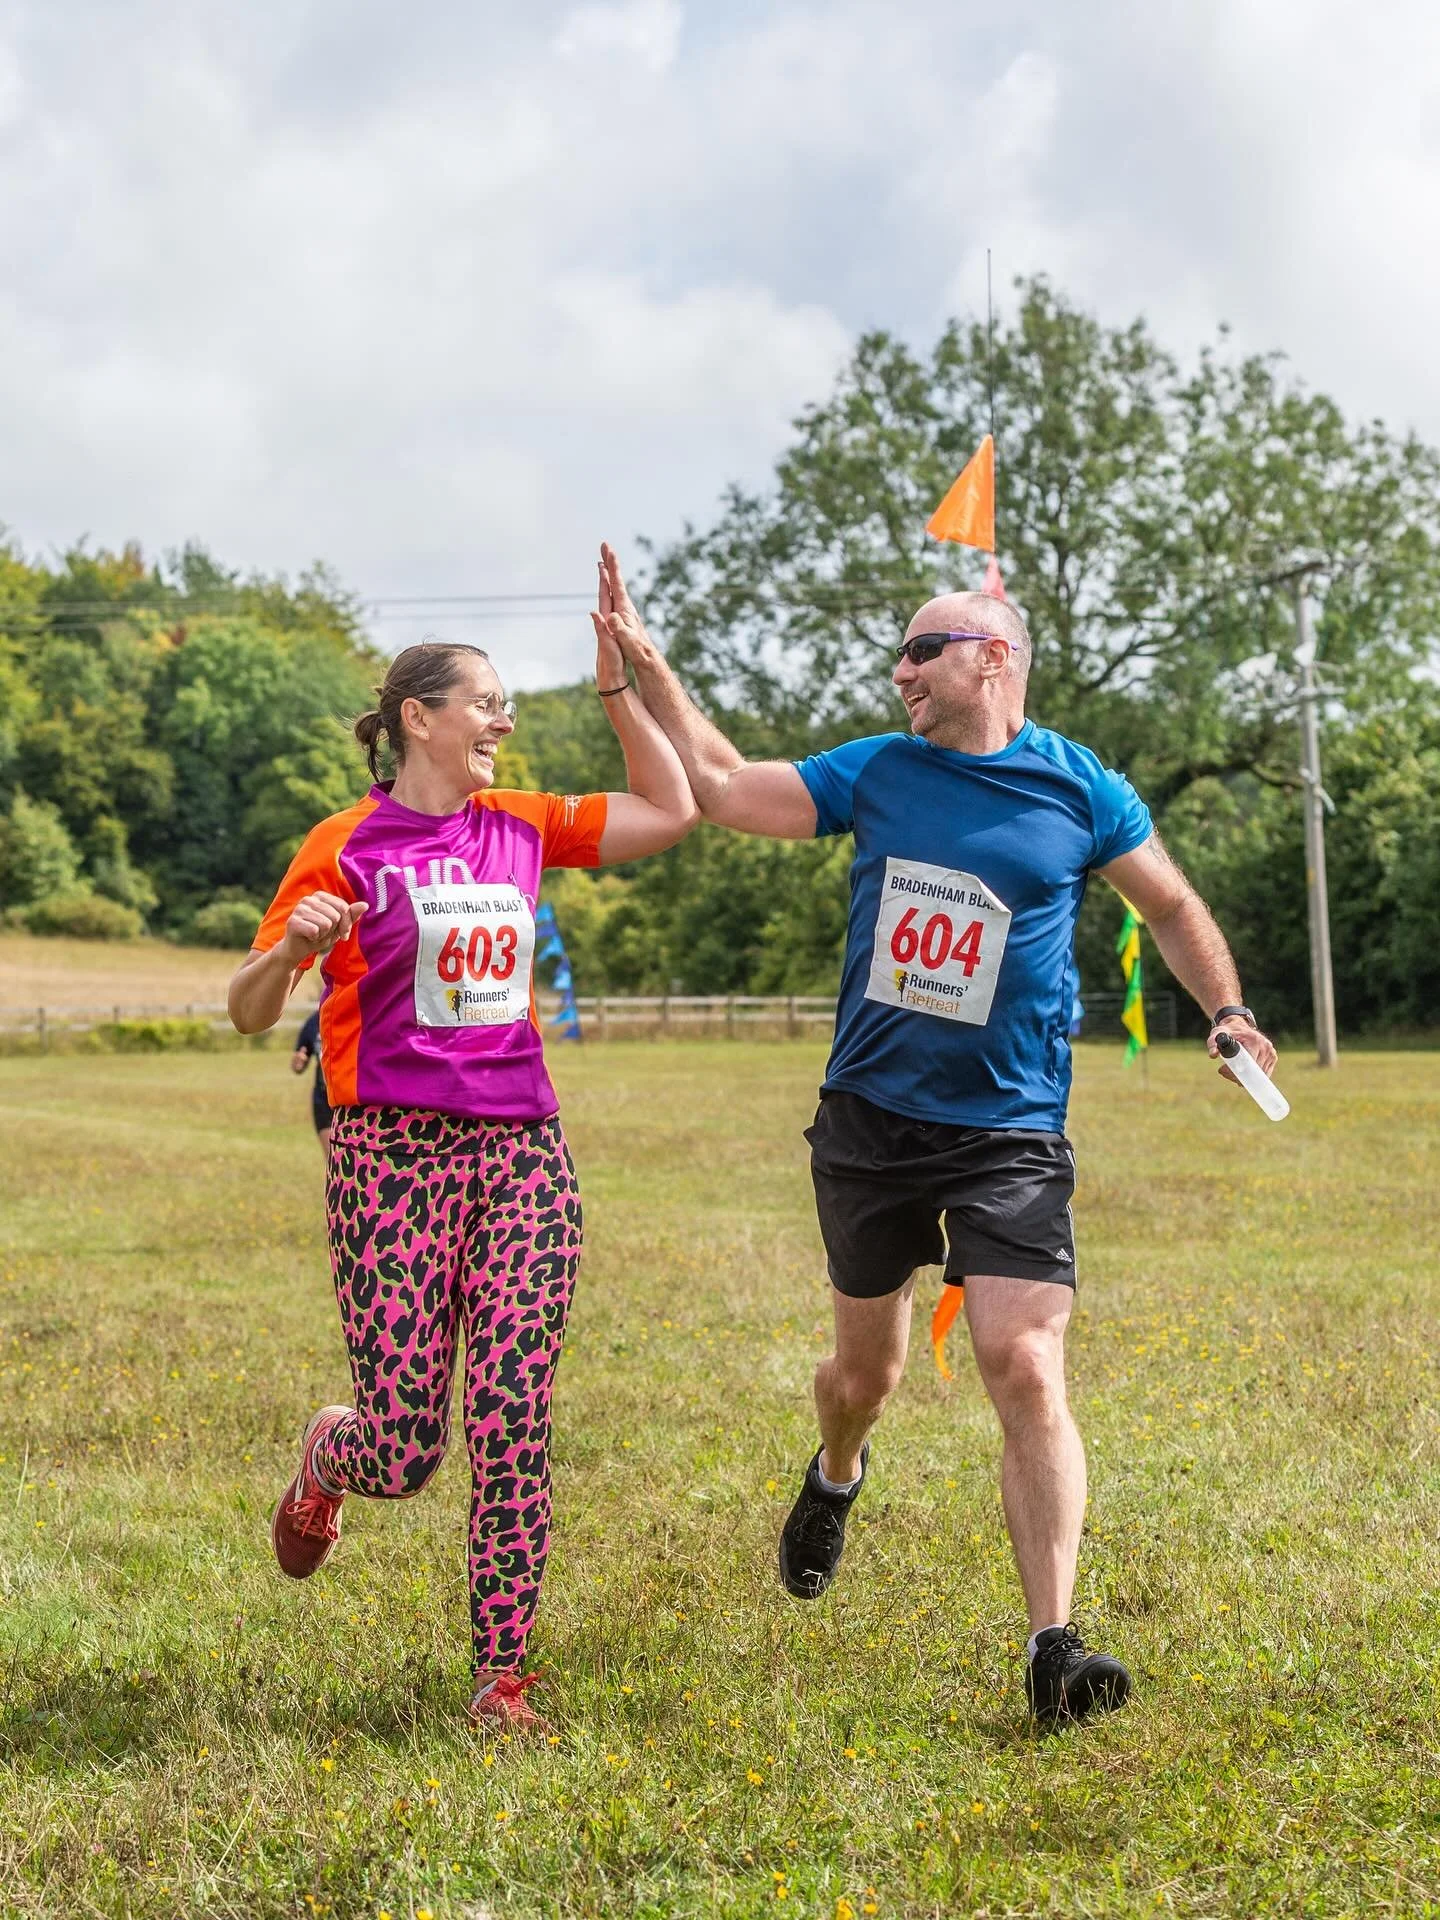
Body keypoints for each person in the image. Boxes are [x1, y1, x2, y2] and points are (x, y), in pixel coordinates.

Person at [594, 542, 1278, 1726]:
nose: (900, 671)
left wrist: (1225, 1009)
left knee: (1022, 1360)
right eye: (898, 654)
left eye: (922, 649)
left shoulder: (1081, 789)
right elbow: (715, 783)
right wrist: (647, 664)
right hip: (869, 1122)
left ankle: (1054, 1647)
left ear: (993, 655)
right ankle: (835, 1471)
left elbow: (1169, 903)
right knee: (870, 1376)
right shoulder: (877, 774)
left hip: (1011, 1129)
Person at [227, 595, 698, 1729]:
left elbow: (672, 808)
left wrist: (617, 686)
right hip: (389, 1159)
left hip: (524, 1151)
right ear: (417, 717)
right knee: (406, 1449)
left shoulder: (523, 822)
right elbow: (248, 1012)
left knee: (514, 1415)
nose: (503, 723)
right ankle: (332, 1458)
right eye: (487, 704)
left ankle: (501, 1679)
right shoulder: (339, 846)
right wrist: (292, 949)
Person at [290, 1008, 333, 1158]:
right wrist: (298, 1063)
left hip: (351, 1099)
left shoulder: (355, 1013)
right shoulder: (313, 1023)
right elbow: (299, 1062)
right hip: (322, 1098)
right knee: (333, 1158)